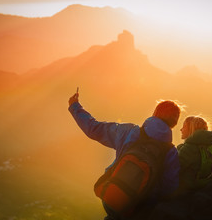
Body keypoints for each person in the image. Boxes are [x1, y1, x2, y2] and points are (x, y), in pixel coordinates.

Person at [68, 90, 181, 220]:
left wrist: (74, 106)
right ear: (174, 123)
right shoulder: (171, 152)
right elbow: (169, 187)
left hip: (114, 195)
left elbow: (94, 129)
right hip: (141, 208)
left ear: (155, 113)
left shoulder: (129, 132)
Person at [176, 116, 212, 195]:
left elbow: (175, 170)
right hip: (207, 188)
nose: (181, 129)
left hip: (187, 192)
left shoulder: (188, 149)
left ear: (191, 129)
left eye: (184, 126)